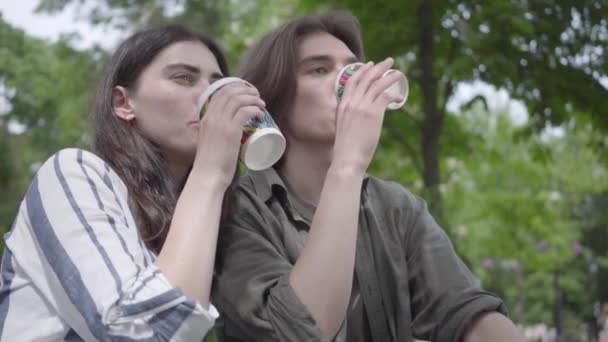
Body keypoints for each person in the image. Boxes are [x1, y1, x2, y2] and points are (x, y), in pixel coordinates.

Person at [211, 11, 526, 342]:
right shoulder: (237, 209)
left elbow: (466, 313)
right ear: (273, 100)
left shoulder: (396, 208)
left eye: (351, 68)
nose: (349, 83)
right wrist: (348, 164)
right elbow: (298, 331)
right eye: (319, 70)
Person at [0, 24, 266, 341]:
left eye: (218, 85)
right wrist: (209, 174)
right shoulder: (75, 173)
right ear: (124, 103)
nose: (210, 96)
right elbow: (141, 334)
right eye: (183, 77)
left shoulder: (219, 213)